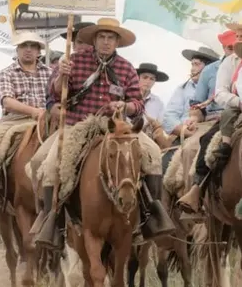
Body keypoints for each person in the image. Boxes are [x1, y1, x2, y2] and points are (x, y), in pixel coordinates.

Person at [29, 18, 175, 249]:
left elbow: (138, 104)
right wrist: (61, 78)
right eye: (102, 37)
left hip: (116, 126)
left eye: (111, 38)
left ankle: (151, 214)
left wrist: (125, 106)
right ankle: (52, 222)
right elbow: (54, 96)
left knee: (154, 153)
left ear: (117, 42)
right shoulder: (71, 61)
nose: (106, 42)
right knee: (47, 163)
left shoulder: (126, 68)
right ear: (94, 40)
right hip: (78, 125)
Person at [176, 31, 242, 214]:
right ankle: (199, 186)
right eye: (240, 38)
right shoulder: (232, 66)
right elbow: (225, 93)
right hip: (238, 107)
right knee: (207, 140)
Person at [0, 31, 53, 225]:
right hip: (14, 119)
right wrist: (33, 111)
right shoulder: (7, 72)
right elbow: (7, 101)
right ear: (17, 49)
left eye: (33, 46)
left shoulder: (50, 73)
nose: (28, 50)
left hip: (47, 120)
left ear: (39, 51)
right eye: (24, 46)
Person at [161, 46, 218, 138]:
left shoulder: (219, 88)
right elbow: (169, 115)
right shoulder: (183, 88)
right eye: (192, 64)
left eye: (197, 64)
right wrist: (183, 131)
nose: (192, 69)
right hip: (184, 134)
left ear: (209, 68)